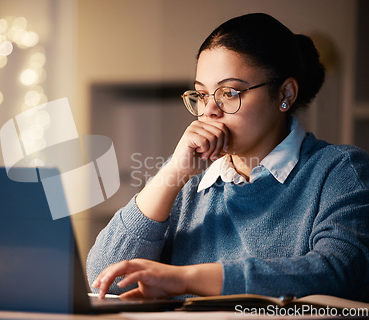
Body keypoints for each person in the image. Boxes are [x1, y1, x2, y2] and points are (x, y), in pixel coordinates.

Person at [86, 13, 369, 302]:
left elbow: (340, 273)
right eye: (201, 95)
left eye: (229, 92)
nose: (209, 111)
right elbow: (104, 282)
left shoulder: (340, 170)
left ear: (285, 93)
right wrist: (173, 174)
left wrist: (186, 279)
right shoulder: (188, 183)